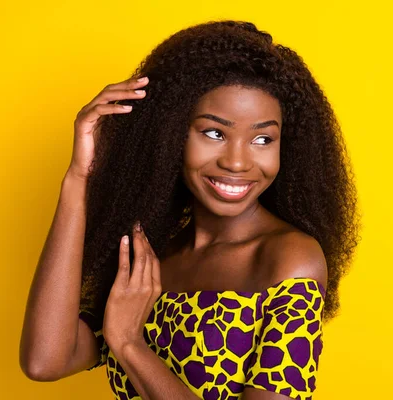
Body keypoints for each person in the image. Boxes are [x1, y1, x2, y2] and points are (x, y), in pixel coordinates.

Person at [19, 20, 360, 400]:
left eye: (263, 139)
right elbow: (44, 360)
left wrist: (130, 344)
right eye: (214, 133)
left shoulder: (290, 259)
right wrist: (79, 176)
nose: (237, 162)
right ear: (171, 134)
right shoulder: (152, 258)